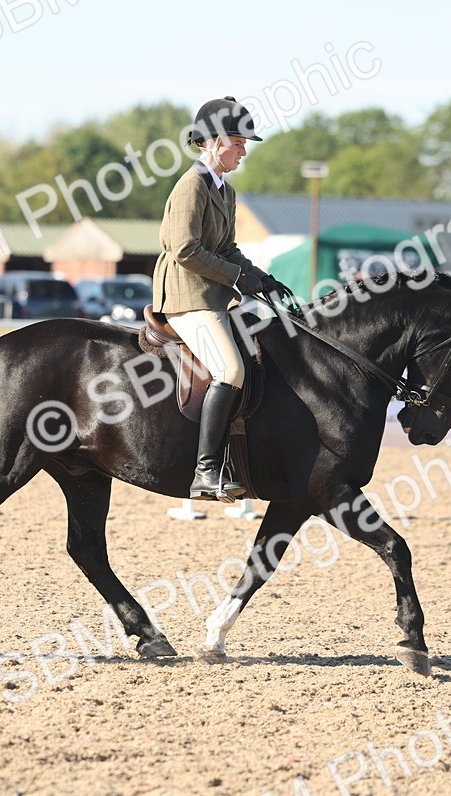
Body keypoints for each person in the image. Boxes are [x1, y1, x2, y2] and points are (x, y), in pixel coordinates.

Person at [153, 96, 296, 502]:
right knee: (231, 370)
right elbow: (183, 248)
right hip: (186, 295)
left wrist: (260, 278)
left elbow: (228, 248)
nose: (244, 150)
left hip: (213, 296)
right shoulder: (191, 186)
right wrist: (237, 278)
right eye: (238, 142)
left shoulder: (225, 192)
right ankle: (205, 471)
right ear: (214, 142)